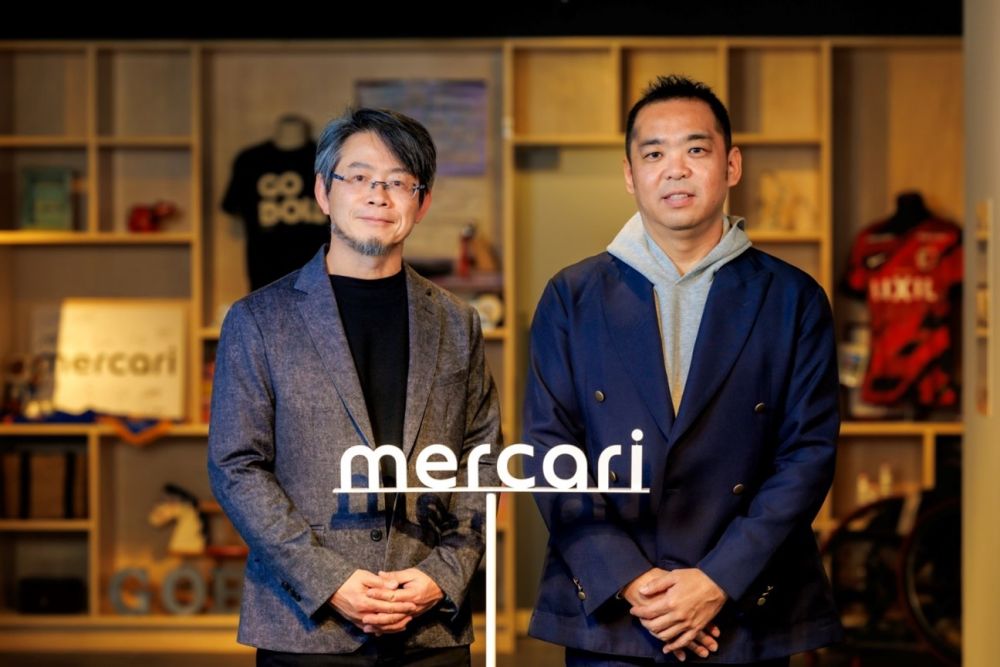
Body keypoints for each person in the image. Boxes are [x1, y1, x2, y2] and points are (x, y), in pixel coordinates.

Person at [523, 75, 842, 666]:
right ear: (629, 174)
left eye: (696, 149)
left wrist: (718, 580)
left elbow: (808, 454)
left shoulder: (792, 298)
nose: (675, 169)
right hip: (615, 612)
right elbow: (550, 450)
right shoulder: (572, 296)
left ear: (731, 165)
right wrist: (633, 582)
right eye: (654, 154)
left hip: (746, 609)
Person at [208, 107, 501, 666]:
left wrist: (443, 575)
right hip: (306, 626)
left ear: (422, 202)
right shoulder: (258, 320)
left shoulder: (456, 321)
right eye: (359, 177)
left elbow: (482, 458)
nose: (378, 195)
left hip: (430, 628)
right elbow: (236, 466)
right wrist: (330, 580)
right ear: (323, 191)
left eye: (398, 182)